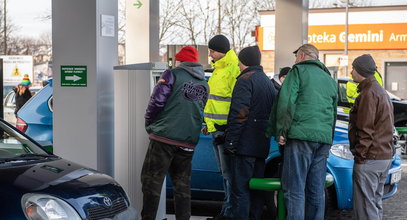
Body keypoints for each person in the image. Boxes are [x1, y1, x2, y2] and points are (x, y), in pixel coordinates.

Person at [269, 44, 338, 219]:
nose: (295, 60)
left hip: (300, 137)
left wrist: (281, 131)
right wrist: (328, 140)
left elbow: (286, 103)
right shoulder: (329, 79)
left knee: (295, 190)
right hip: (322, 140)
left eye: (296, 57)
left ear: (301, 56)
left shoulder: (297, 72)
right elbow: (333, 112)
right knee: (316, 190)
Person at [141, 46, 209, 220]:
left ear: (180, 61)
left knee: (152, 182)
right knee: (182, 185)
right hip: (188, 141)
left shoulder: (172, 74)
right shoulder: (204, 83)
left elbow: (157, 101)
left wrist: (149, 122)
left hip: (165, 137)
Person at [223, 45, 276, 220]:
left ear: (244, 61)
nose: (238, 64)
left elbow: (239, 114)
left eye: (239, 60)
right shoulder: (267, 81)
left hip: (245, 146)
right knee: (256, 190)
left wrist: (230, 142)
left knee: (241, 190)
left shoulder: (245, 80)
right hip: (261, 145)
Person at [348, 54, 394, 220]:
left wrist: (360, 156)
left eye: (353, 68)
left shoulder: (368, 94)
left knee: (366, 208)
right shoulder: (380, 92)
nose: (351, 72)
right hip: (383, 156)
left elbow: (365, 130)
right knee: (374, 204)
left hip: (370, 159)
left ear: (360, 71)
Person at [202, 34, 240, 220]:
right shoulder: (218, 69)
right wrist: (208, 124)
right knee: (223, 173)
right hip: (214, 128)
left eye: (212, 50)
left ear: (221, 51)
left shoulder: (232, 69)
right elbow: (213, 101)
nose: (210, 53)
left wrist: (228, 128)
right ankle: (226, 211)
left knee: (229, 175)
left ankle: (229, 213)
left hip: (224, 130)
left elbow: (237, 101)